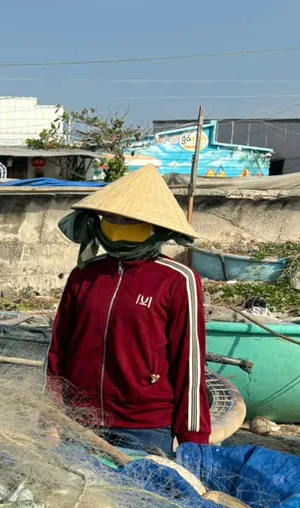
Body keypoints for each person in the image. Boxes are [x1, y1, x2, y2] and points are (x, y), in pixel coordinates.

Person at [46, 165, 209, 457]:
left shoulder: (177, 280)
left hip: (144, 426)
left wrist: (193, 439)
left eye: (129, 219)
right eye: (110, 217)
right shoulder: (85, 275)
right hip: (79, 421)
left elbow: (190, 365)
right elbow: (58, 351)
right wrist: (50, 415)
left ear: (154, 227)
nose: (118, 223)